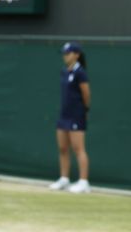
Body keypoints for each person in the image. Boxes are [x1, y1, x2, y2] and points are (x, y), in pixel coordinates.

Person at [48, 42, 92, 194]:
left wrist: (85, 109)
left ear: (76, 55)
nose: (65, 56)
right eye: (64, 53)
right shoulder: (64, 71)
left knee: (78, 148)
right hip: (64, 114)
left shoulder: (81, 73)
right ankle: (64, 179)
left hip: (76, 115)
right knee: (62, 148)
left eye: (68, 53)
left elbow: (86, 94)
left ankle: (84, 182)